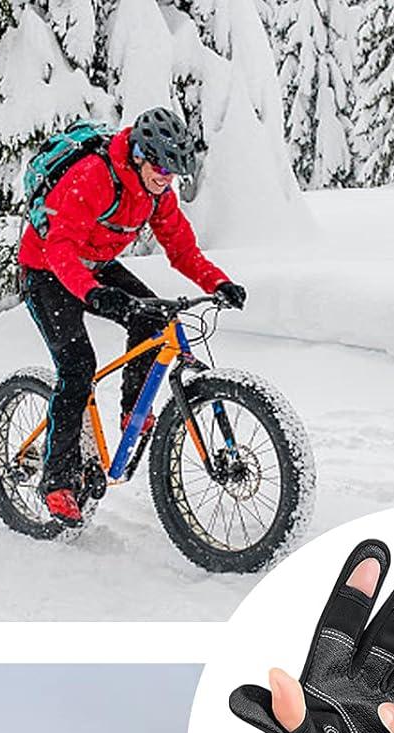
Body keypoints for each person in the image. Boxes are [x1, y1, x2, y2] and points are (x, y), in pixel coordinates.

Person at [17, 107, 247, 528]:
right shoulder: (93, 177)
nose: (166, 177)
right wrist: (95, 294)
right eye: (159, 165)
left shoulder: (157, 192)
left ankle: (132, 413)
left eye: (173, 170)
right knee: (77, 366)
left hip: (95, 265)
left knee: (152, 317)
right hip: (48, 270)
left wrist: (217, 282)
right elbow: (60, 248)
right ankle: (55, 481)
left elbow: (181, 250)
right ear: (139, 154)